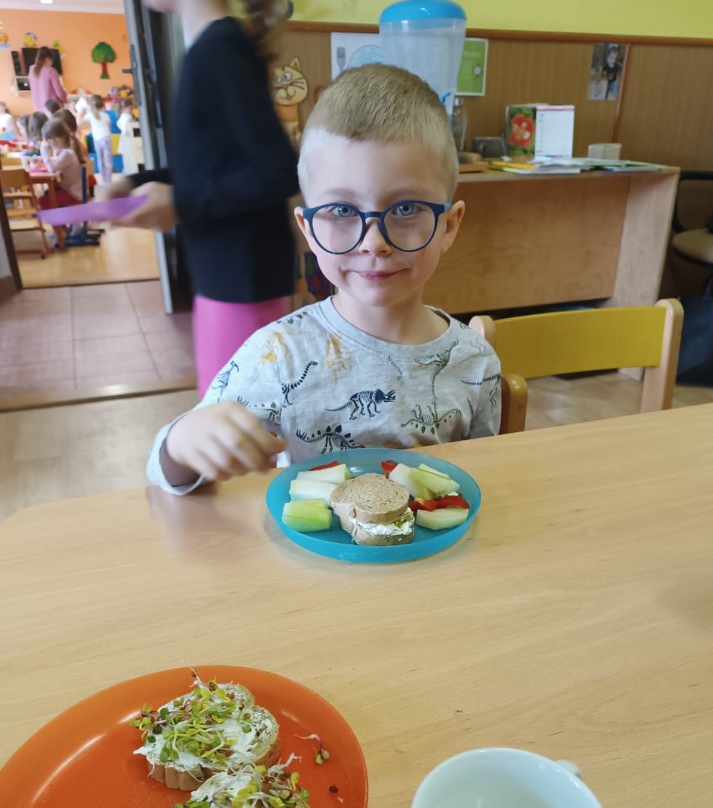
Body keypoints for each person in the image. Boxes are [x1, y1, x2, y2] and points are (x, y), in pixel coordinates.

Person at [146, 63, 501, 495]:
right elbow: (164, 471)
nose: (374, 243)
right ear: (309, 230)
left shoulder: (475, 360)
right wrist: (183, 443)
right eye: (342, 211)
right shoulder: (277, 355)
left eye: (407, 209)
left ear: (449, 226)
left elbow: (481, 482)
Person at [101, 0, 299, 397]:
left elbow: (278, 170)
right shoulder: (209, 49)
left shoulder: (220, 49)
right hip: (227, 276)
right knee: (224, 409)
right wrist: (134, 183)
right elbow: (207, 168)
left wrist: (180, 202)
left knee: (232, 413)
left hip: (242, 280)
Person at [37, 117, 84, 208]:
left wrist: (43, 150)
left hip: (74, 195)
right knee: (47, 194)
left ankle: (60, 218)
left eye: (49, 141)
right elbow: (54, 165)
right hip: (72, 192)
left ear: (56, 139)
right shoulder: (65, 152)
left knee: (43, 201)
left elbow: (51, 168)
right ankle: (59, 217)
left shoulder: (67, 153)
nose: (49, 144)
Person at [28, 47, 67, 113]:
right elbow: (59, 94)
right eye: (51, 61)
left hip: (38, 112)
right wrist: (65, 95)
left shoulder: (31, 70)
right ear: (47, 59)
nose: (51, 64)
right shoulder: (51, 71)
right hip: (52, 111)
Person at [85, 94, 113, 184]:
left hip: (97, 140)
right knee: (108, 161)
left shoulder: (90, 115)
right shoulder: (106, 115)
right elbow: (109, 129)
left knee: (100, 160)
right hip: (106, 139)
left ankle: (104, 180)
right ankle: (108, 181)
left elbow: (81, 121)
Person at [116, 98, 139, 176]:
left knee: (128, 157)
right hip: (127, 139)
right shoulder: (126, 117)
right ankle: (130, 172)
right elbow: (125, 130)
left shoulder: (125, 116)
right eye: (130, 108)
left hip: (126, 139)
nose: (131, 110)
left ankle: (129, 171)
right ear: (124, 108)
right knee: (129, 156)